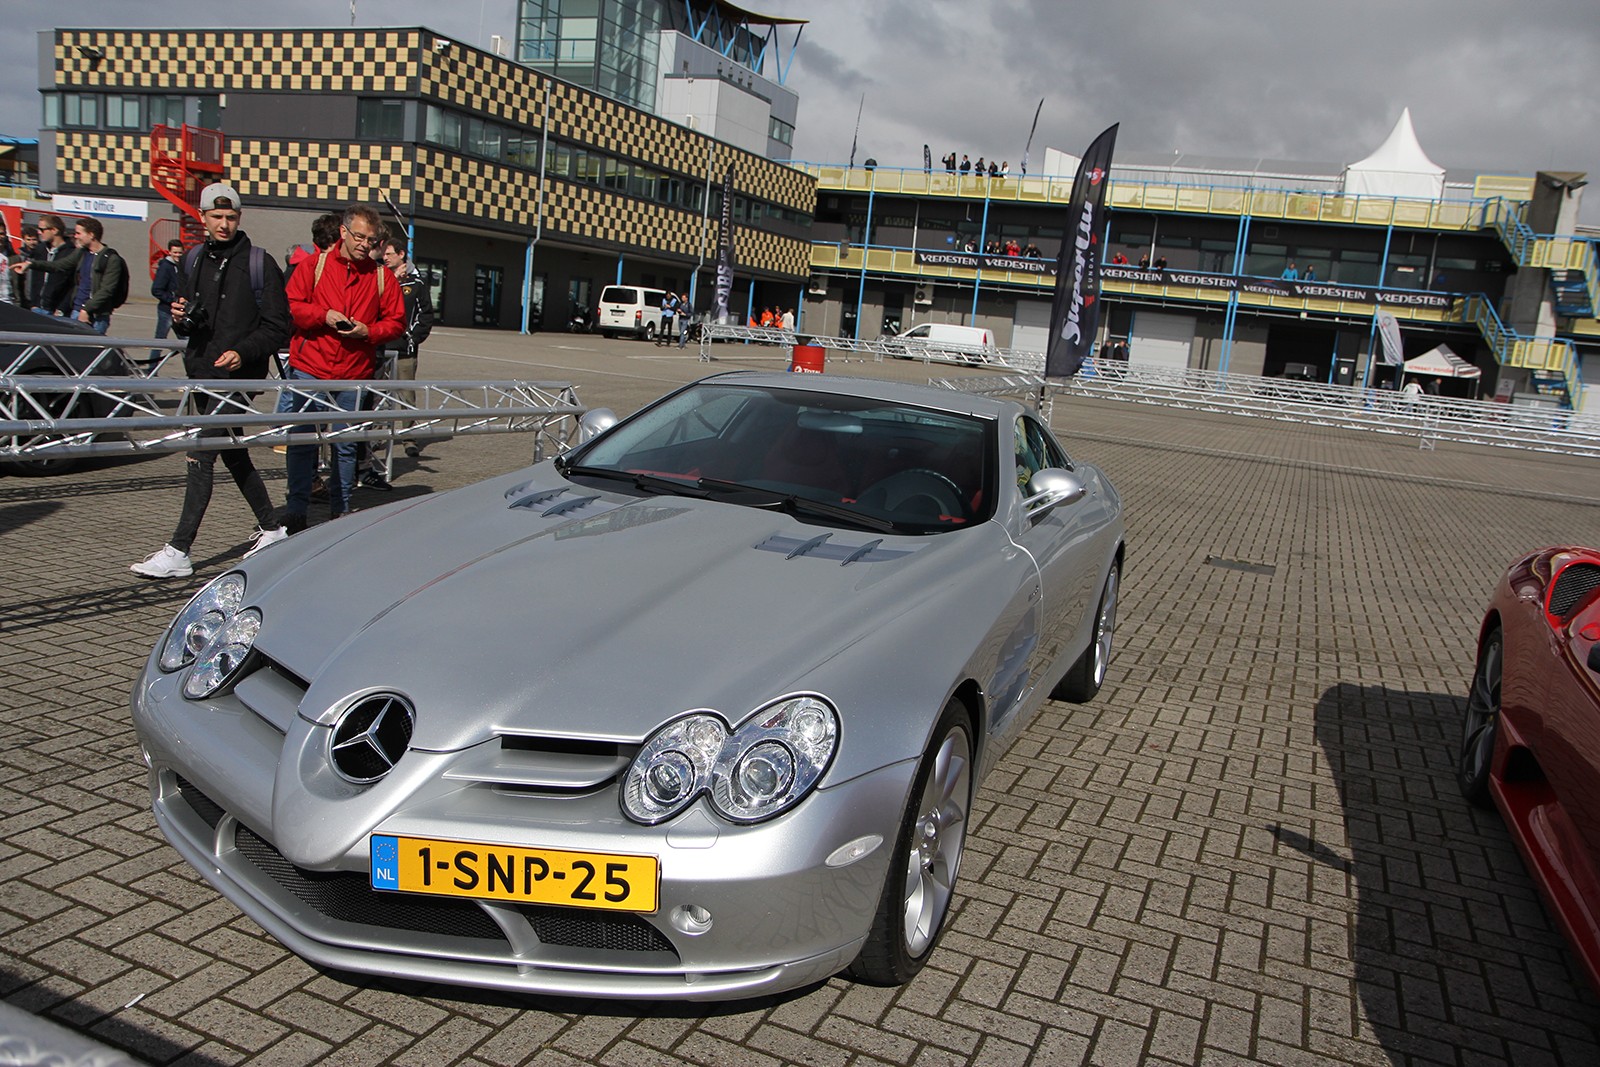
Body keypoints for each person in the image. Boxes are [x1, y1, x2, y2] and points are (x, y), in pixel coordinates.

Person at [129, 183, 291, 580]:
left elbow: (278, 327)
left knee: (200, 453)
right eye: (216, 216)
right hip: (202, 371)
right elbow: (189, 323)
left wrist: (243, 352)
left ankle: (179, 550)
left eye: (230, 217)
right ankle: (273, 529)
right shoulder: (194, 259)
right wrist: (182, 317)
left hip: (237, 377)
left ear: (239, 218)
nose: (223, 224)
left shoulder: (259, 263)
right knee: (233, 452)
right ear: (202, 217)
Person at [278, 202, 405, 530]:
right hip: (310, 366)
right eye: (359, 237)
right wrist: (323, 316)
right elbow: (291, 305)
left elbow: (396, 322)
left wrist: (368, 331)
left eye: (371, 240)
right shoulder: (314, 265)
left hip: (353, 372)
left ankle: (341, 510)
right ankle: (296, 510)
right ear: (344, 232)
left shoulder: (381, 276)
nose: (365, 244)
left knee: (346, 445)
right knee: (301, 441)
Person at [379, 236, 435, 458]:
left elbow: (426, 314)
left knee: (406, 396)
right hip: (381, 348)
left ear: (401, 254)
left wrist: (413, 338)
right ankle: (376, 435)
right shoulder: (381, 279)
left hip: (404, 351)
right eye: (383, 254)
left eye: (389, 254)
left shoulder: (416, 284)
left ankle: (409, 437)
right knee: (378, 395)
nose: (385, 258)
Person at [66, 218, 127, 334]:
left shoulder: (111, 259)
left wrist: (86, 309)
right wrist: (33, 264)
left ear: (91, 235)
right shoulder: (82, 253)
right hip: (77, 310)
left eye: (78, 233)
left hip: (97, 315)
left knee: (93, 344)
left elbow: (107, 290)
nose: (75, 236)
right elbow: (61, 265)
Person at [150, 238, 183, 359]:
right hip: (166, 311)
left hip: (179, 311)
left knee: (185, 341)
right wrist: (172, 299)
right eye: (175, 252)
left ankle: (191, 369)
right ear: (169, 252)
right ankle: (152, 367)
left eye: (180, 252)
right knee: (160, 340)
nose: (178, 255)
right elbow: (156, 290)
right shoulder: (165, 267)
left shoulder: (182, 266)